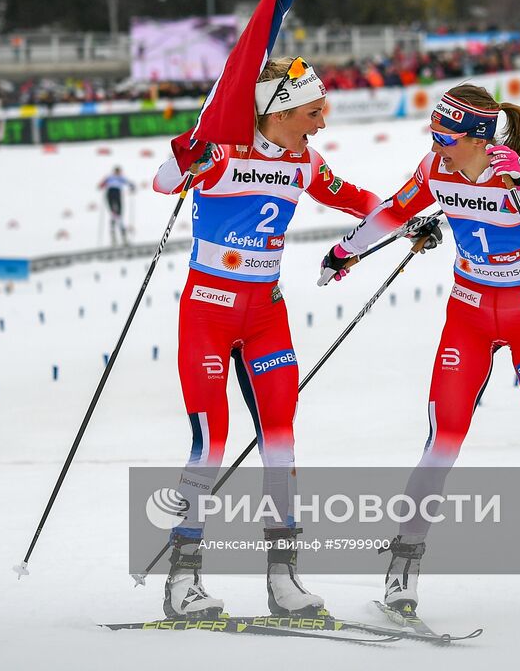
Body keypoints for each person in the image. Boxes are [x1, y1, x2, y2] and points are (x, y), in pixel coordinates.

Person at [320, 84, 520, 612]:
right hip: (468, 315)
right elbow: (395, 212)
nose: (437, 144)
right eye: (435, 133)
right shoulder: (435, 168)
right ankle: (404, 560)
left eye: (446, 135)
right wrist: (345, 251)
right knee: (442, 440)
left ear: (477, 136)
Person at [153, 57, 380, 620]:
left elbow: (361, 201)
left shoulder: (304, 161)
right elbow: (164, 182)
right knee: (210, 445)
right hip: (208, 314)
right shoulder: (223, 152)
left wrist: (415, 217)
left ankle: (284, 579)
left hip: (265, 317)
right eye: (312, 111)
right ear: (275, 110)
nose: (321, 122)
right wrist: (185, 154)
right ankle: (183, 581)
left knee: (281, 441)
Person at [98, 166, 135, 245]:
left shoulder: (119, 177)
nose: (118, 173)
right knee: (115, 213)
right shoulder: (110, 177)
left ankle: (119, 235)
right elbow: (101, 184)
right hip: (111, 193)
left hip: (116, 193)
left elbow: (128, 183)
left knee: (118, 214)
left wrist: (132, 186)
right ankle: (116, 236)